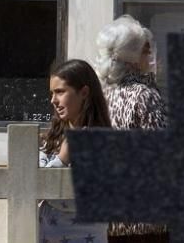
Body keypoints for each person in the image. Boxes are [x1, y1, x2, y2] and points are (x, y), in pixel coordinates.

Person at [94, 15, 169, 243]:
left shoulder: (104, 94)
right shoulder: (144, 95)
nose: (152, 56)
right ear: (134, 57)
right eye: (147, 50)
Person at [38, 59, 111, 243]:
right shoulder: (50, 140)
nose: (53, 100)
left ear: (84, 92)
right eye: (52, 93)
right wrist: (63, 158)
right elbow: (38, 188)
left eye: (60, 92)